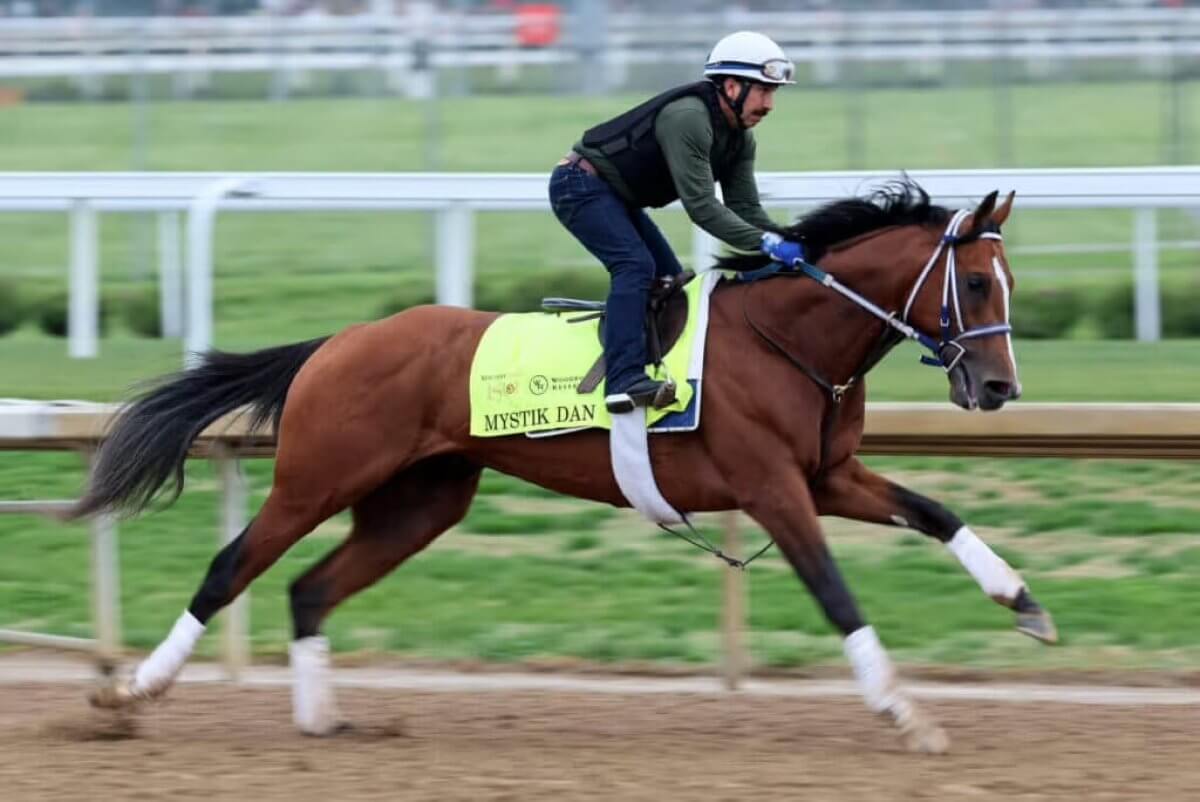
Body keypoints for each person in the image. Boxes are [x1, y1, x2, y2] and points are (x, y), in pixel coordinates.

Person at [548, 30, 806, 414]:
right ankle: (622, 381)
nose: (770, 104)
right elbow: (702, 208)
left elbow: (746, 210)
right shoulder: (688, 117)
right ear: (732, 86)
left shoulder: (741, 140)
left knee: (670, 280)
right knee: (635, 265)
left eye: (774, 93)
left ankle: (656, 369)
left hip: (615, 197)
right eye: (764, 91)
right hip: (579, 186)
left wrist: (789, 238)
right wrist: (766, 245)